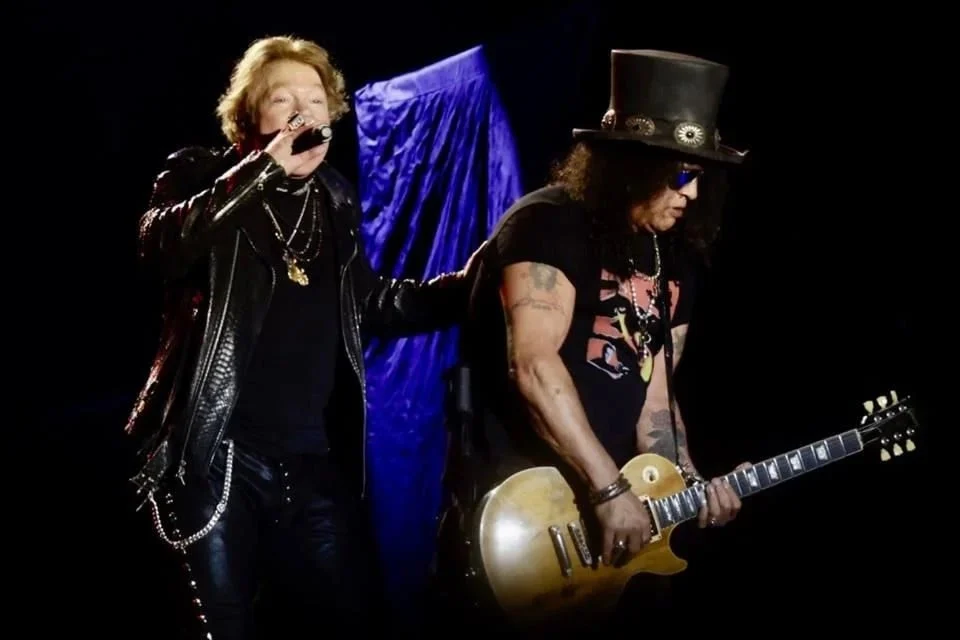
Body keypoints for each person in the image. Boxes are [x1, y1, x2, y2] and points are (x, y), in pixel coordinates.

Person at [125, 35, 477, 639]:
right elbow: (163, 244)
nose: (302, 115)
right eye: (282, 100)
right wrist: (264, 170)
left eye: (315, 101)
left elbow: (371, 303)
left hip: (310, 462)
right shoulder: (199, 173)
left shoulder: (334, 199)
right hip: (216, 456)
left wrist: (474, 283)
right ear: (249, 119)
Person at [434, 49, 752, 630]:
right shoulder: (547, 223)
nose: (692, 194)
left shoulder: (675, 259)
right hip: (531, 514)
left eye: (700, 177)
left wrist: (687, 485)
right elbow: (533, 366)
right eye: (681, 174)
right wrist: (608, 490)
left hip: (622, 526)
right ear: (635, 165)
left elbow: (656, 399)